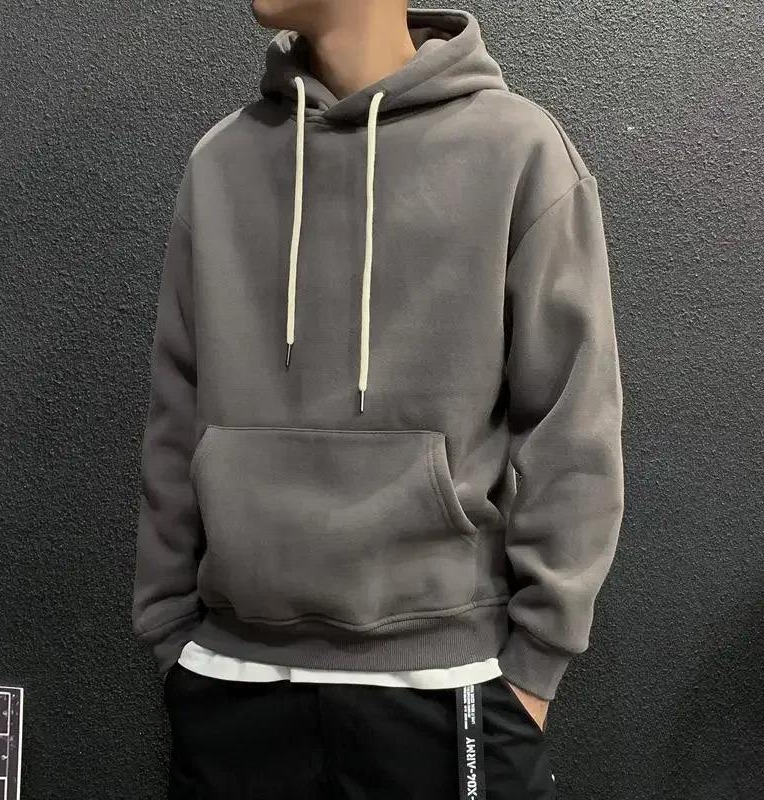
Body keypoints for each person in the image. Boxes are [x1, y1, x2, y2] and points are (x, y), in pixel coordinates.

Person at [131, 2, 625, 798]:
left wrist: (534, 667)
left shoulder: (519, 152)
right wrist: (168, 632)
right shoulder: (221, 163)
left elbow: (574, 431)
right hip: (231, 684)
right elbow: (174, 416)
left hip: (448, 686)